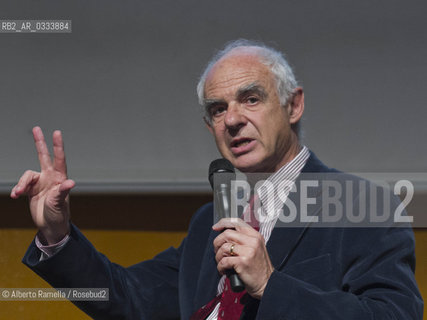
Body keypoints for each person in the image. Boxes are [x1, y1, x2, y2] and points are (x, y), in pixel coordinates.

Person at [11, 40, 423, 319]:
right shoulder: (212, 219)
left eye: (251, 99)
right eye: (218, 109)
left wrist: (270, 284)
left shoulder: (361, 207)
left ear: (293, 105)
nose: (233, 120)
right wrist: (58, 234)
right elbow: (129, 298)